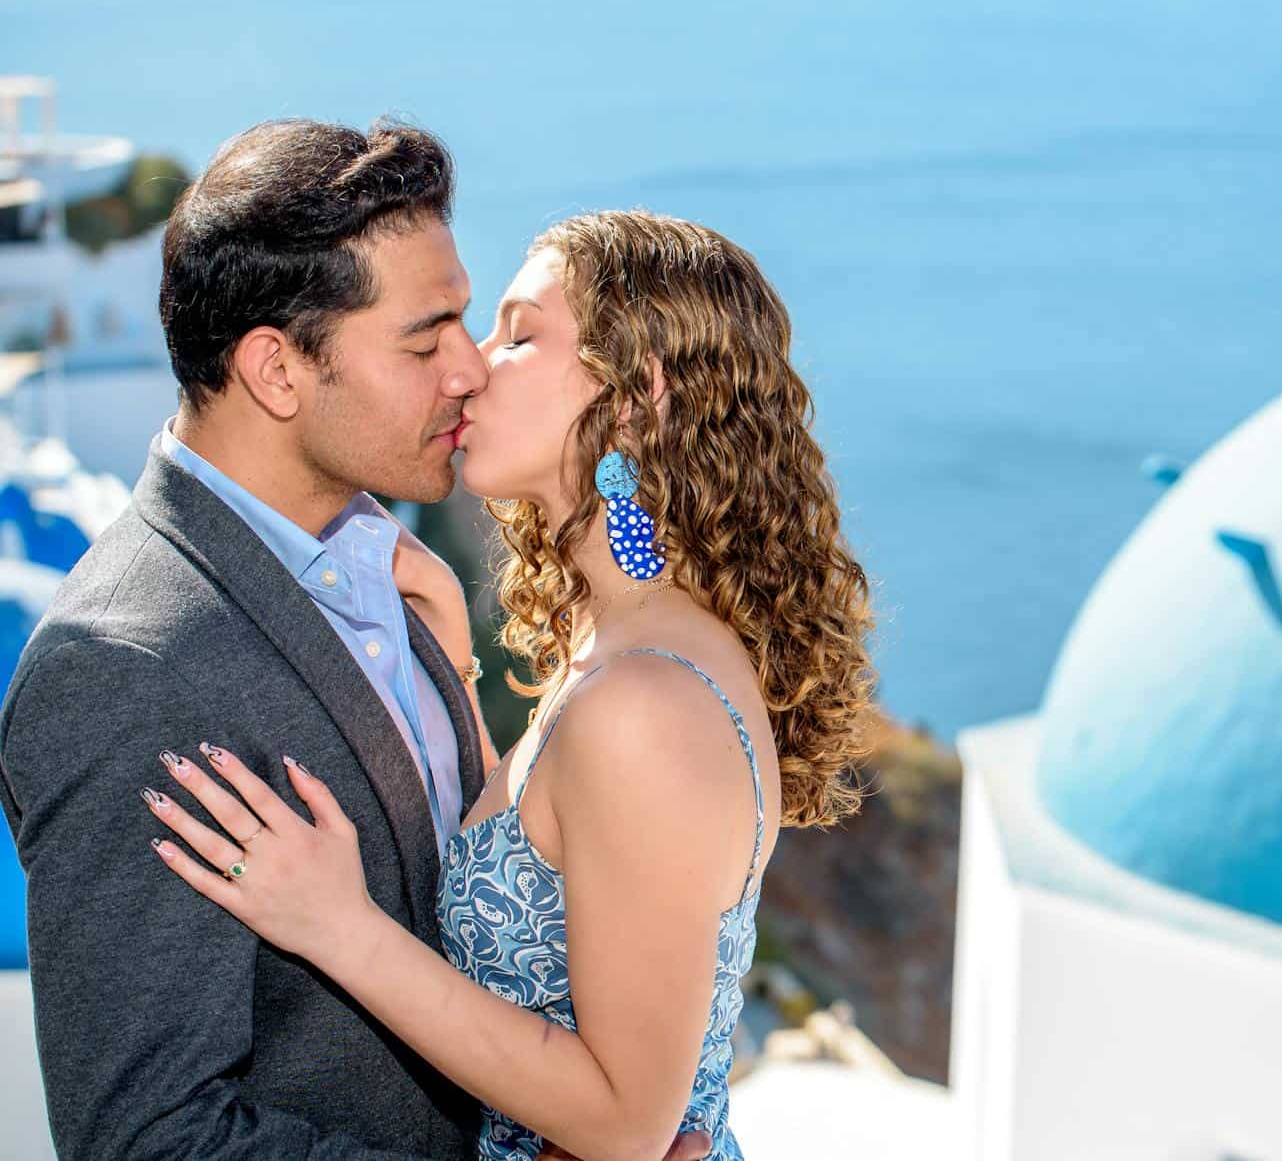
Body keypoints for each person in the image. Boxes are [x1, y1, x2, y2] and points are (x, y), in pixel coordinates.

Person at [0, 119, 714, 1159]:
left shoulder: (390, 570)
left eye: (467, 325)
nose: (469, 371)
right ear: (277, 372)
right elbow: (148, 1138)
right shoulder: (121, 668)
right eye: (426, 340)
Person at [137, 208, 877, 1159]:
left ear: (635, 398)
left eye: (521, 336)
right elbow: (553, 862)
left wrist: (338, 927)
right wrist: (452, 665)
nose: (474, 366)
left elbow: (624, 1123)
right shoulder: (626, 642)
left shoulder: (644, 704)